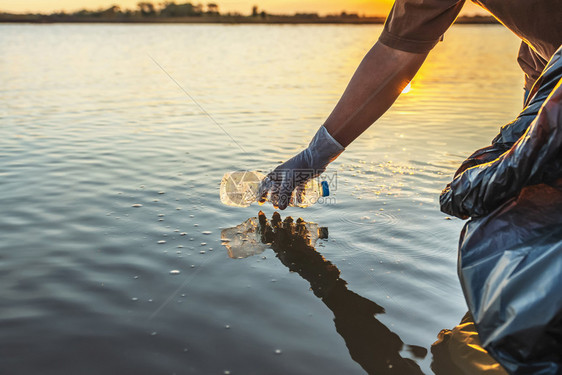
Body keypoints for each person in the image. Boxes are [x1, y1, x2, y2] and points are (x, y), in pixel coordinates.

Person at [258, 0, 562, 210]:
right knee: (505, 192)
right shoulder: (538, 51)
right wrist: (317, 153)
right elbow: (395, 55)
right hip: (549, 73)